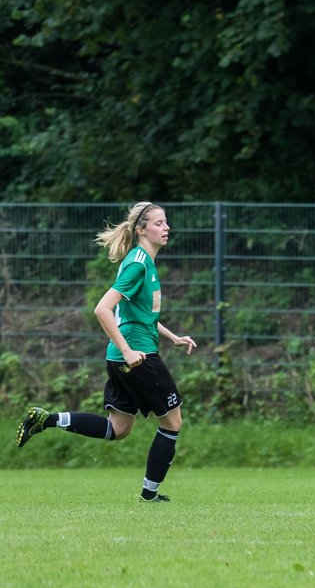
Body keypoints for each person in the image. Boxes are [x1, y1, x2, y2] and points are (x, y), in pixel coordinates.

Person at [16, 201, 198, 502]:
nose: (166, 228)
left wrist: (172, 336)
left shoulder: (140, 260)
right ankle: (149, 495)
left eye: (166, 223)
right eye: (159, 223)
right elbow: (102, 309)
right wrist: (128, 351)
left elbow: (139, 314)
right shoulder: (139, 263)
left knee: (118, 428)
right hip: (136, 356)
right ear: (141, 229)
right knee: (172, 421)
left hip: (122, 356)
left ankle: (46, 420)